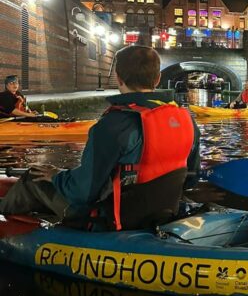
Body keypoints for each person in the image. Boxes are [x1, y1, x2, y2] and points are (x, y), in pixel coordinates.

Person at [0, 46, 201, 231]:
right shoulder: (186, 120)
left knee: (32, 178)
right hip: (162, 213)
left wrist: (56, 176)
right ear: (157, 79)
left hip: (111, 219)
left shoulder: (113, 124)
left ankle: (7, 226)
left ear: (119, 78)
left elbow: (83, 192)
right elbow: (190, 179)